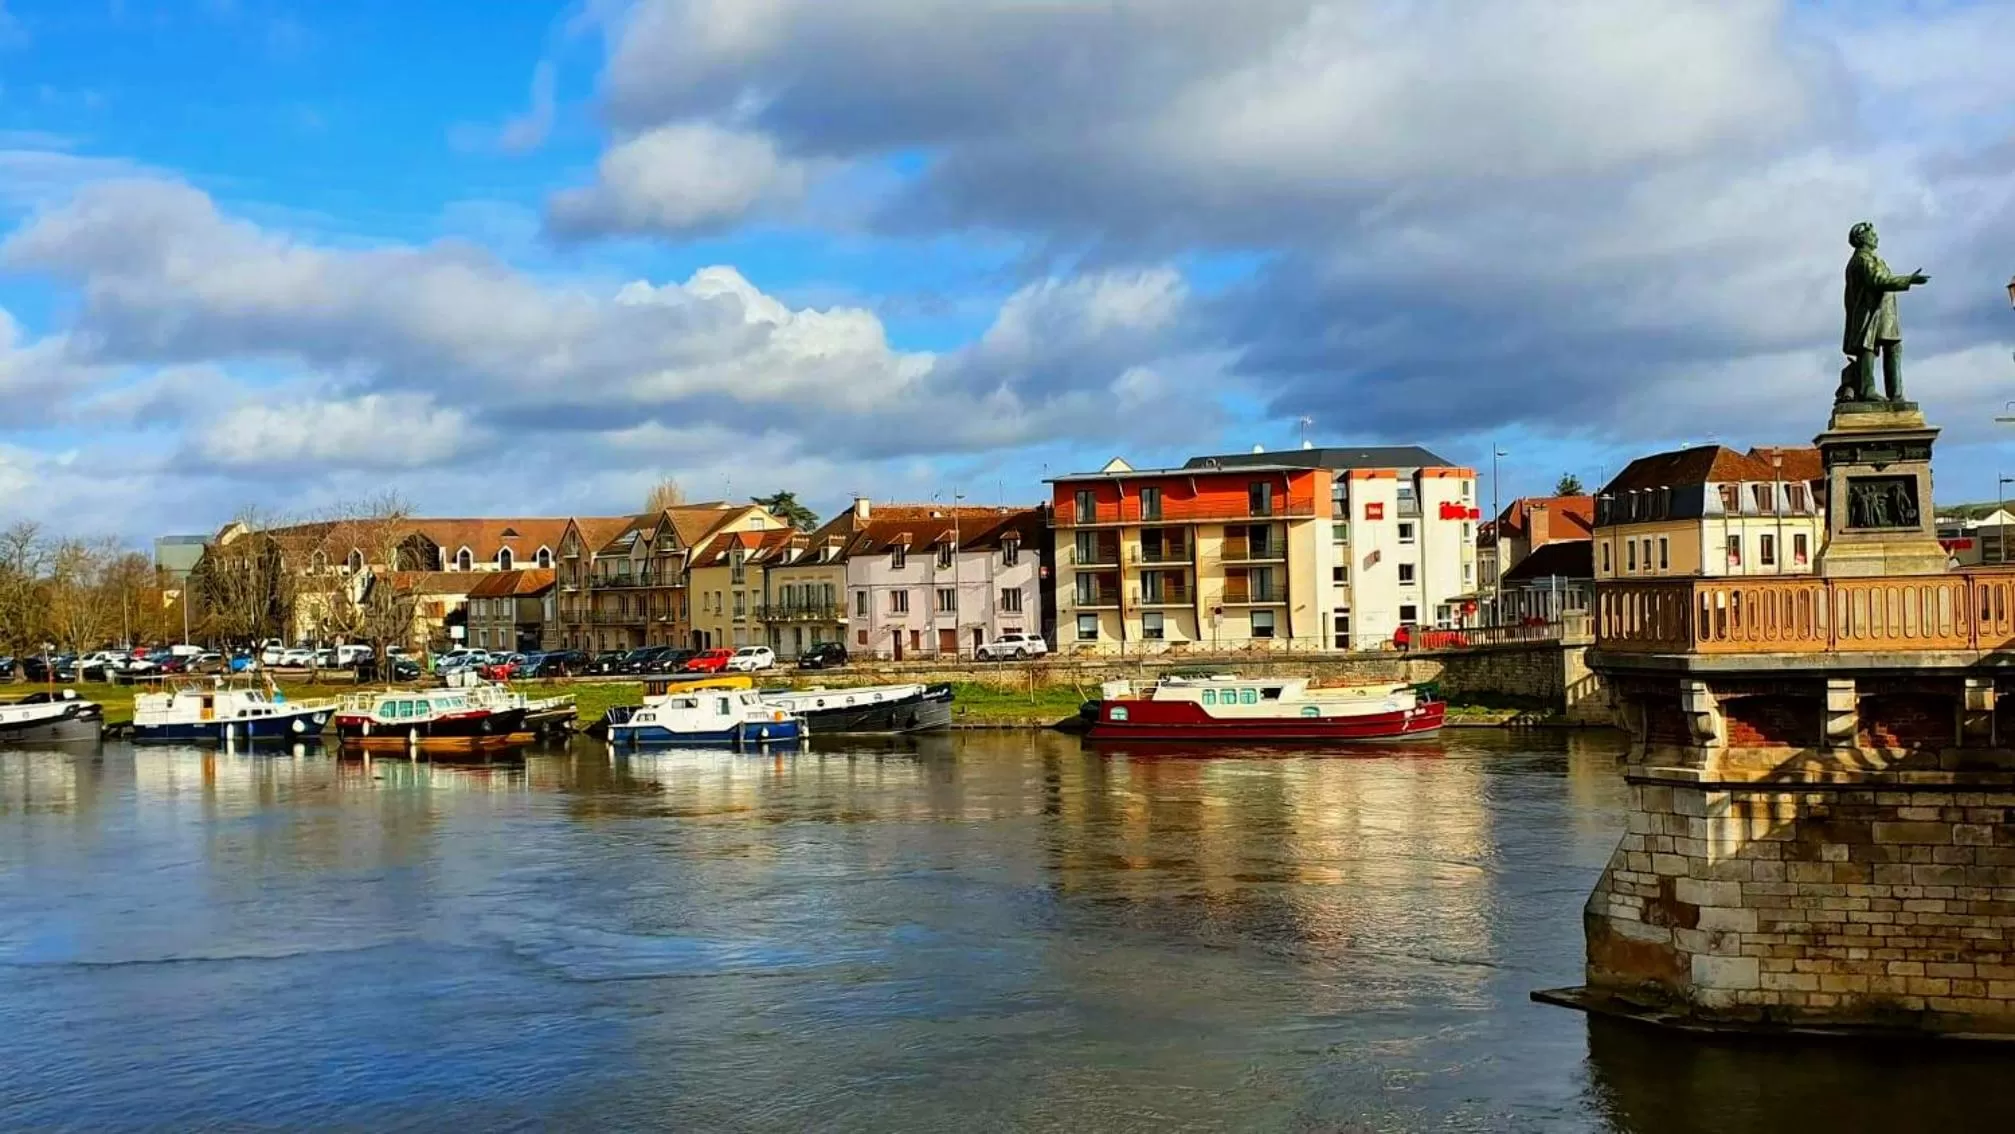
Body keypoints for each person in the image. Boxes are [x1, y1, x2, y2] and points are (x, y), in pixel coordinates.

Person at [1841, 222, 1930, 403]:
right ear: (1861, 238)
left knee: (1892, 347)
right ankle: (1868, 390)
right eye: (1871, 234)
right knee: (1867, 347)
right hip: (1871, 312)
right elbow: (1878, 280)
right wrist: (1908, 280)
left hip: (1884, 313)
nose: (1876, 237)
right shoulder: (1863, 259)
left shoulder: (1869, 258)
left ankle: (1896, 394)